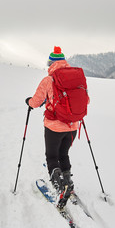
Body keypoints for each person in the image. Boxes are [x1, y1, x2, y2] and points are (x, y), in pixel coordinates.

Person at [25, 46, 81, 202]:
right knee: (64, 154)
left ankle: (59, 187)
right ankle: (68, 182)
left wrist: (29, 102)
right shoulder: (76, 79)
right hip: (73, 127)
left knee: (52, 156)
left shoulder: (48, 80)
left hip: (54, 127)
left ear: (52, 63)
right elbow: (85, 100)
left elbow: (35, 102)